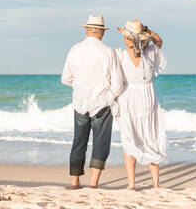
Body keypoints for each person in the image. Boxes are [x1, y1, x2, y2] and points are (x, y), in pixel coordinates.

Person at [62, 14, 123, 189]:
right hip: (102, 103)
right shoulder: (108, 51)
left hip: (80, 101)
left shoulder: (74, 49)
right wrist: (109, 96)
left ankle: (74, 182)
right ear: (102, 33)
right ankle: (93, 183)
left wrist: (81, 87)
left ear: (87, 30)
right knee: (101, 143)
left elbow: (66, 78)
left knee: (78, 142)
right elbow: (117, 83)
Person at [115, 19, 167, 190]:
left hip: (130, 98)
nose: (124, 38)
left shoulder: (121, 54)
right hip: (142, 97)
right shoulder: (150, 52)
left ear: (130, 38)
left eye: (126, 36)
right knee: (147, 137)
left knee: (132, 139)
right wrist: (147, 31)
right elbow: (159, 40)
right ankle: (155, 184)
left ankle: (132, 184)